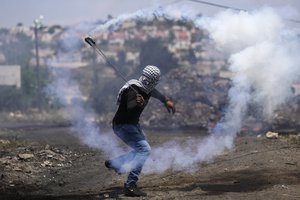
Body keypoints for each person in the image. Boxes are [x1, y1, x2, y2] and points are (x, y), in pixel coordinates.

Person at [105, 65, 175, 197]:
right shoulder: (132, 90)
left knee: (140, 150)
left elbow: (155, 93)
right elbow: (129, 106)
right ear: (151, 80)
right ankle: (130, 185)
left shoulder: (146, 89)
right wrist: (137, 103)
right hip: (123, 126)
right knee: (144, 150)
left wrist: (165, 101)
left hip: (132, 125)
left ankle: (117, 164)